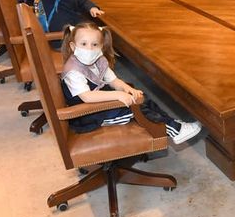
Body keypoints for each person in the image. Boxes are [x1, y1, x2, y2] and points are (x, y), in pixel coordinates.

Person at [60, 22, 202, 143]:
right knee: (137, 108)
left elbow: (114, 80)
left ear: (101, 46)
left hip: (99, 102)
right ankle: (175, 130)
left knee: (142, 98)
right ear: (73, 47)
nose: (89, 49)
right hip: (89, 115)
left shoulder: (98, 60)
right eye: (83, 44)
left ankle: (174, 124)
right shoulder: (73, 70)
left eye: (94, 44)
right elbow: (87, 97)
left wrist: (127, 89)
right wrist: (118, 95)